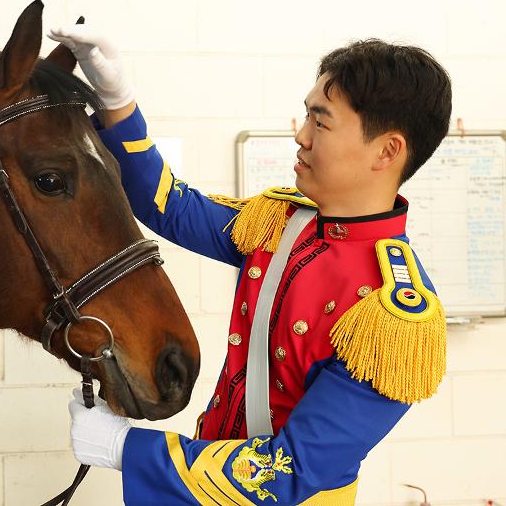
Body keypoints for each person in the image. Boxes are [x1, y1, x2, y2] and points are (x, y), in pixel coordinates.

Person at [48, 25, 451, 505]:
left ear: (387, 151)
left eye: (320, 123)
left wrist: (125, 449)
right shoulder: (277, 222)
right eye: (306, 115)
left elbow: (293, 469)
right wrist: (118, 99)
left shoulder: (393, 322)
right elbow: (169, 206)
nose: (299, 136)